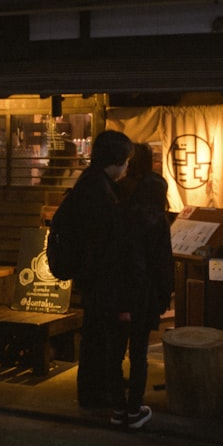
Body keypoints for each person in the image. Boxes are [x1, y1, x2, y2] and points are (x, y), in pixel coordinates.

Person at [106, 143, 173, 430]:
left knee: (115, 351)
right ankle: (135, 409)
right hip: (143, 295)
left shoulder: (118, 212)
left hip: (117, 291)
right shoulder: (158, 220)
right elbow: (162, 264)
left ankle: (118, 408)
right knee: (139, 353)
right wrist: (163, 296)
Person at [68, 130, 134, 408]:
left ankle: (94, 390)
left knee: (95, 335)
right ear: (117, 160)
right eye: (127, 160)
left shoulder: (90, 181)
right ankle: (97, 394)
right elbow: (103, 242)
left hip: (91, 276)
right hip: (100, 277)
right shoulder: (100, 191)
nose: (128, 166)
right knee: (101, 337)